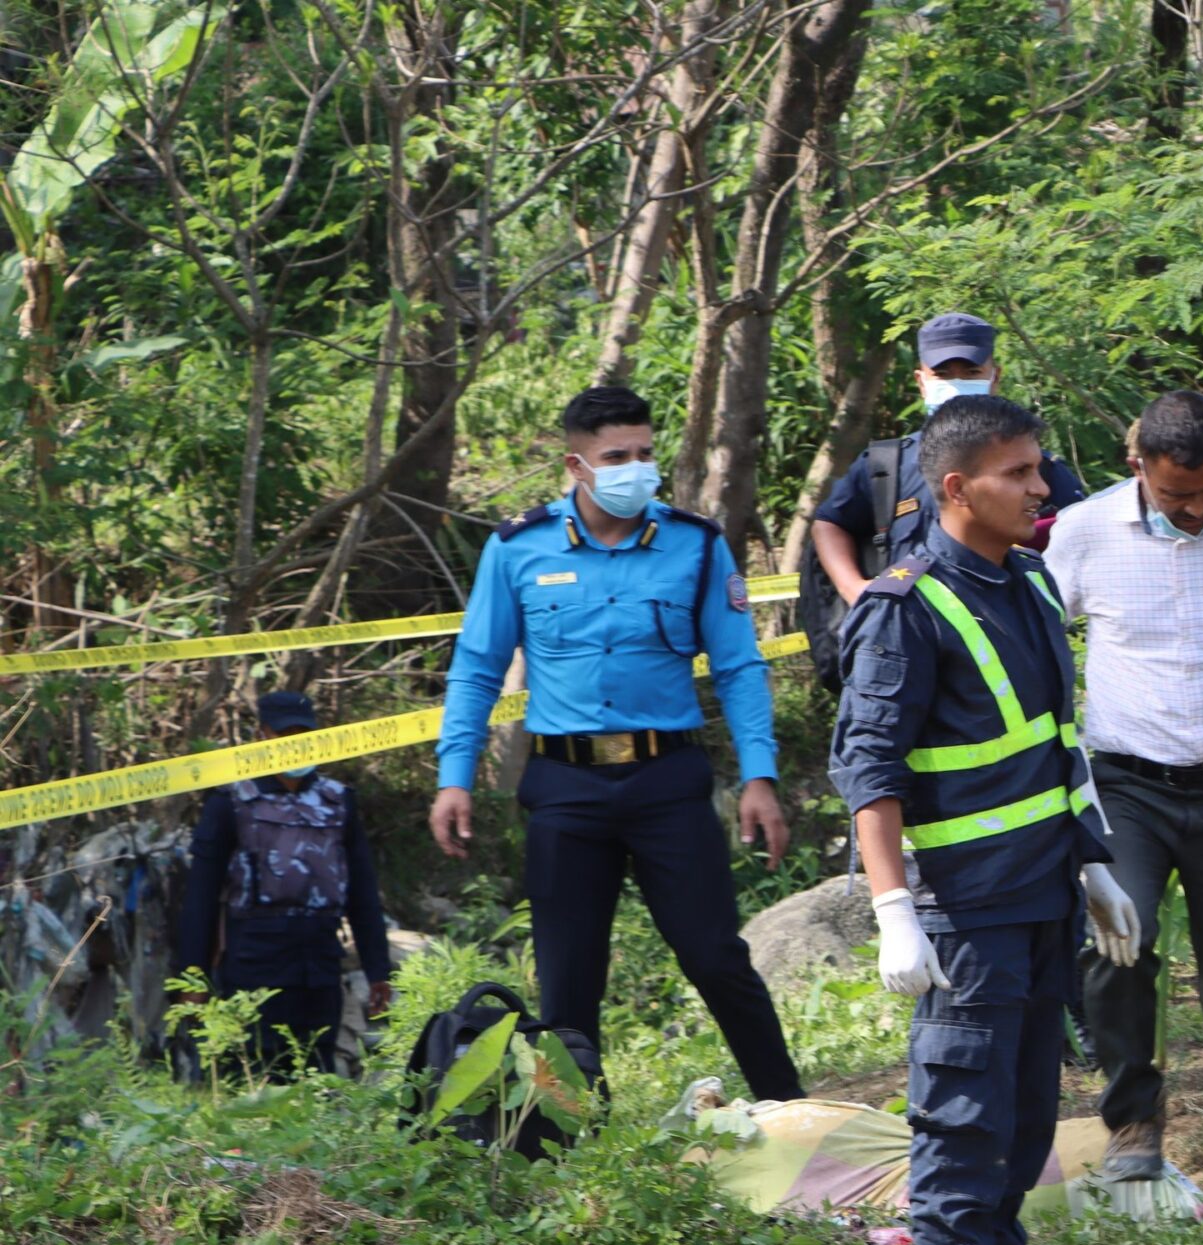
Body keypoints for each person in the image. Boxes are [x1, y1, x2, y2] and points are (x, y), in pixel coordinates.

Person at [829, 393, 1144, 1245]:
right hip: (963, 911)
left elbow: (1057, 744)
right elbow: (869, 771)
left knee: (1023, 1115)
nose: (1042, 488)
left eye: (1039, 468)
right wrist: (892, 909)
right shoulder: (904, 608)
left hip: (1043, 892)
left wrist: (1093, 864)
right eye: (1020, 473)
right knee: (961, 1120)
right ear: (958, 488)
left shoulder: (1032, 581)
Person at [431, 385, 805, 1103]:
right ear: (576, 465)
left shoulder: (695, 544)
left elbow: (738, 666)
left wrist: (760, 775)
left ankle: (791, 1107)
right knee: (569, 977)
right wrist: (455, 777)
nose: (636, 468)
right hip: (565, 788)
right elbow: (476, 669)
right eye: (615, 457)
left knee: (714, 954)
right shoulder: (517, 548)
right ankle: (576, 1136)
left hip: (668, 781)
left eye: (644, 453)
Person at [1044, 390, 1203, 1241]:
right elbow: (1038, 643)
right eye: (1174, 495)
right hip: (1127, 783)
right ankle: (1132, 1114)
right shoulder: (1083, 531)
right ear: (1138, 468)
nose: (1194, 510)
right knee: (1117, 943)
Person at [176, 690, 393, 1075]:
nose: (296, 744)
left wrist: (378, 970)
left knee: (317, 1073)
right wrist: (193, 978)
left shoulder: (337, 802)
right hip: (254, 964)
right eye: (285, 735)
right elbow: (200, 897)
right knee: (254, 1073)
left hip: (319, 966)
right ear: (262, 736)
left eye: (303, 735)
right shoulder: (231, 801)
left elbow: (363, 891)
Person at [806, 312, 1089, 607]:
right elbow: (830, 522)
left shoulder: (1035, 467)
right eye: (942, 374)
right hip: (909, 623)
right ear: (921, 381)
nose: (956, 384)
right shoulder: (887, 466)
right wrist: (854, 588)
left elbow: (1080, 538)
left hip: (1007, 623)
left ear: (995, 377)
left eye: (971, 373)